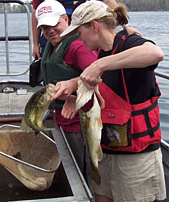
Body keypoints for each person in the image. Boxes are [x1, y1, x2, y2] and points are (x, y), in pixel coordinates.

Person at [55, 1, 166, 202]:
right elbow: (104, 87)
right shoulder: (100, 51)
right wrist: (72, 88)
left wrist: (98, 65)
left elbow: (155, 53)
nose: (77, 39)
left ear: (94, 26)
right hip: (105, 151)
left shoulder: (130, 43)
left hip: (135, 157)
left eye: (79, 33)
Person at [35, 0, 98, 175]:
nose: (50, 31)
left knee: (82, 170)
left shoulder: (78, 46)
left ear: (66, 19)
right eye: (45, 27)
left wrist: (75, 98)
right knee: (72, 167)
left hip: (80, 125)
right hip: (62, 121)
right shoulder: (52, 45)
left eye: (55, 24)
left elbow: (101, 80)